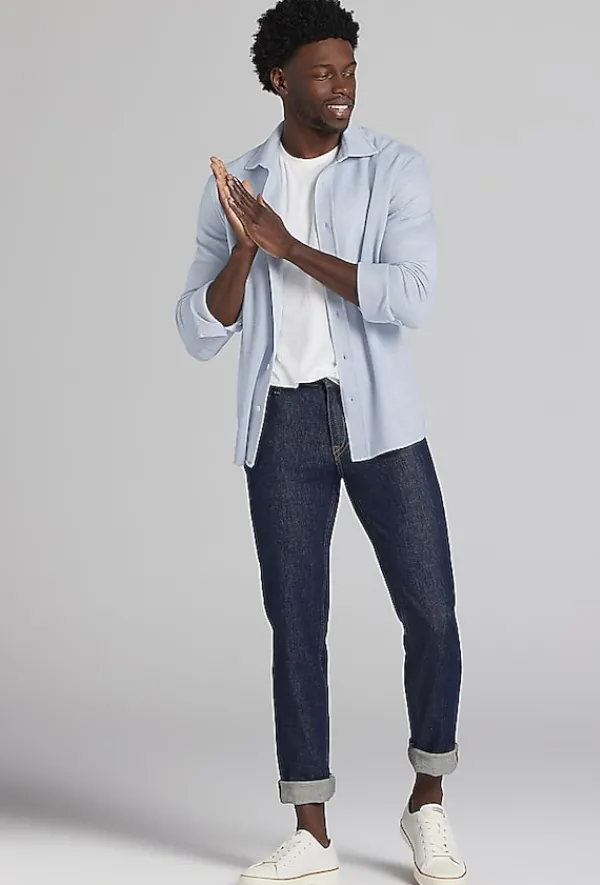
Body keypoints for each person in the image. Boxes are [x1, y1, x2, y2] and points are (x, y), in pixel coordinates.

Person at [176, 1, 466, 882]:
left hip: (381, 420)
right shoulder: (241, 183)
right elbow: (198, 328)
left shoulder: (393, 168)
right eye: (322, 72)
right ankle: (311, 827)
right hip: (282, 424)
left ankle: (427, 802)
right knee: (297, 626)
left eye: (349, 70)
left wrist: (291, 246)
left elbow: (411, 295)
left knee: (433, 612)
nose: (342, 86)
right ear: (279, 80)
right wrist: (245, 246)